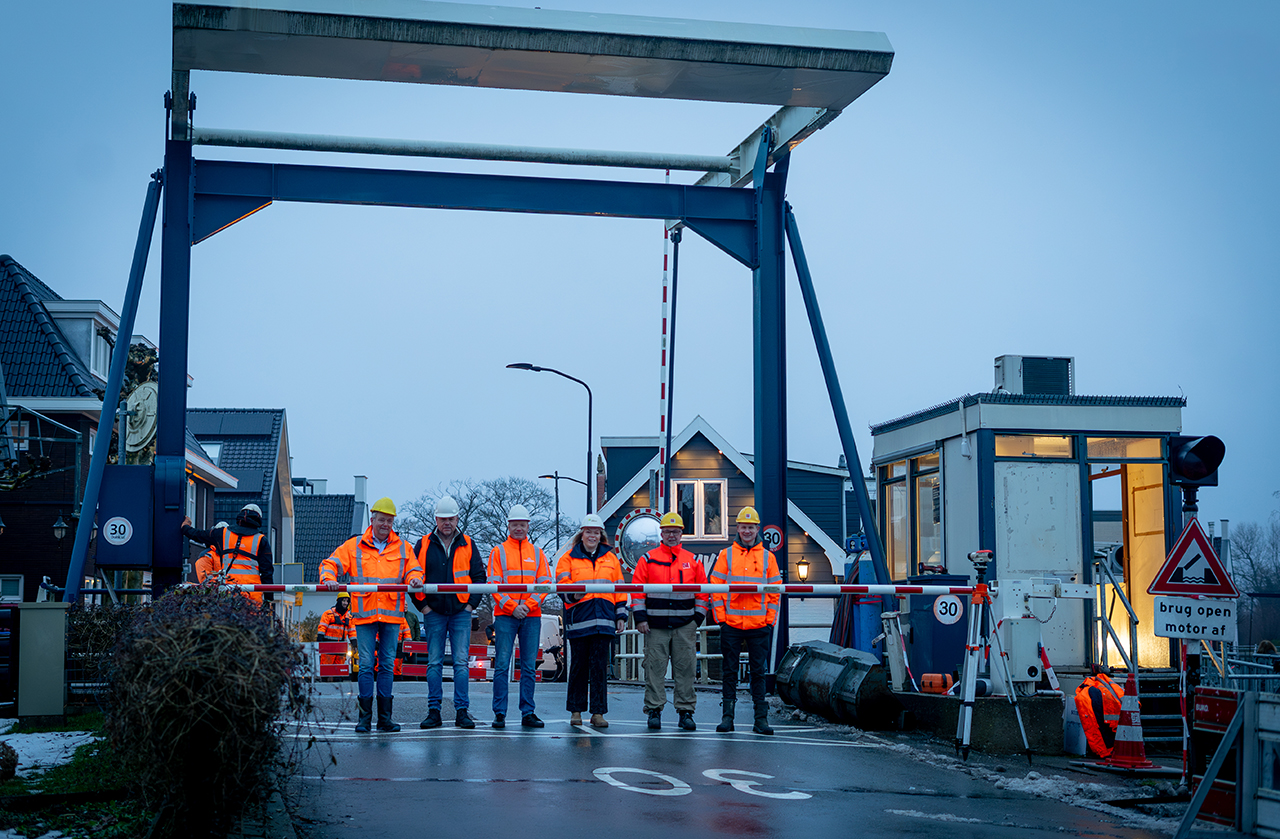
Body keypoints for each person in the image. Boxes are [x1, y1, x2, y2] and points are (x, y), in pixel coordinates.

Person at [320, 497, 424, 733]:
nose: (385, 524)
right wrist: (329, 578)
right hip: (365, 615)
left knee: (387, 665)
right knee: (366, 665)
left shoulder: (403, 547)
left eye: (389, 520)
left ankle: (385, 719)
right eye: (381, 520)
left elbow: (414, 569)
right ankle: (364, 719)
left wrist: (415, 579)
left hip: (391, 616)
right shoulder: (354, 545)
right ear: (372, 520)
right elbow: (331, 563)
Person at [412, 495, 487, 730]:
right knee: (434, 663)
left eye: (451, 518)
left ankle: (462, 712)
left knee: (461, 664)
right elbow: (412, 576)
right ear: (436, 518)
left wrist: (470, 606)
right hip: (433, 612)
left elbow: (479, 578)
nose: (447, 523)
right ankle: (434, 711)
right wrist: (422, 606)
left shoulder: (468, 544)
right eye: (443, 518)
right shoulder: (423, 544)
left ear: (457, 519)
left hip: (460, 613)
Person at [631, 511, 708, 731]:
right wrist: (640, 618)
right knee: (654, 669)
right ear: (661, 533)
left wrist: (697, 619)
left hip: (685, 625)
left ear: (681, 534)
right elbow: (637, 592)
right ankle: (654, 710)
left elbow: (703, 593)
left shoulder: (692, 561)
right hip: (655, 626)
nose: (671, 535)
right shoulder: (648, 559)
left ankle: (686, 712)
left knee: (686, 669)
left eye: (675, 531)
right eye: (667, 532)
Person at [709, 506, 781, 735]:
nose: (747, 531)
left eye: (751, 527)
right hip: (731, 624)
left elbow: (774, 593)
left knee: (758, 672)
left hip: (759, 625)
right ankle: (727, 718)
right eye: (743, 527)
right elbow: (716, 589)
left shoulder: (768, 557)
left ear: (757, 528)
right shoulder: (725, 555)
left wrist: (770, 621)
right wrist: (721, 619)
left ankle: (761, 720)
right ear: (737, 529)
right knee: (729, 671)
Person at [557, 513, 627, 728]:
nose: (592, 536)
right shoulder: (568, 558)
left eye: (596, 532)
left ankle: (598, 713)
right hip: (580, 619)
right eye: (588, 532)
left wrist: (621, 614)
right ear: (582, 534)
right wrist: (573, 594)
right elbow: (561, 585)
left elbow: (620, 588)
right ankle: (575, 711)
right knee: (578, 666)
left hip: (605, 619)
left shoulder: (611, 558)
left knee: (599, 668)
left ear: (600, 535)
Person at [487, 504, 552, 729]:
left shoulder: (537, 552)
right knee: (502, 664)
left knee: (528, 666)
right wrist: (514, 606)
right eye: (515, 525)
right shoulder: (498, 551)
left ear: (527, 526)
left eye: (522, 525)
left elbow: (545, 584)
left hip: (530, 615)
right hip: (506, 615)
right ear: (509, 525)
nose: (518, 528)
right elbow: (493, 584)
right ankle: (500, 713)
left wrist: (527, 605)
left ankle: (528, 712)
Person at [181, 505, 274, 602]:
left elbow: (199, 535)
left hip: (229, 593)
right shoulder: (261, 540)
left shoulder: (223, 533)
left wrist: (185, 527)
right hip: (252, 595)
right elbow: (267, 573)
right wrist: (268, 599)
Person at [317, 593, 356, 670]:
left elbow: (352, 632)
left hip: (341, 647)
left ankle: (337, 680)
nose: (345, 603)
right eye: (343, 601)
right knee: (326, 669)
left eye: (347, 601)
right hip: (328, 646)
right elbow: (322, 628)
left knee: (339, 670)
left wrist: (354, 643)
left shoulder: (349, 617)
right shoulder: (328, 614)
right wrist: (319, 640)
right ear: (339, 601)